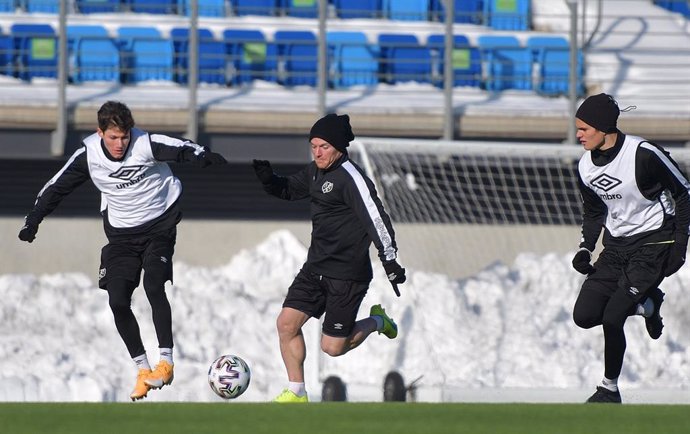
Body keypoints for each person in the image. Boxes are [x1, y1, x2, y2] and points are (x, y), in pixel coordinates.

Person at [17, 100, 228, 401]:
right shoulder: (88, 155)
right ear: (100, 132)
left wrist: (202, 156)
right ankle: (143, 369)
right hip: (121, 236)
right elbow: (57, 187)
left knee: (153, 284)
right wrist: (33, 221)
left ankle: (165, 363)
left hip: (160, 225)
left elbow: (180, 147)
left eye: (124, 137)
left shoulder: (144, 143)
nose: (119, 144)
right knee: (117, 300)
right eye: (113, 137)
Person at [252, 113, 406, 403]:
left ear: (338, 147)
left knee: (333, 348)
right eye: (313, 146)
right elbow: (288, 189)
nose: (317, 152)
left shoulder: (353, 179)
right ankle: (297, 391)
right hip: (315, 269)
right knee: (286, 324)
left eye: (323, 146)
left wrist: (390, 261)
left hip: (347, 275)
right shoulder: (314, 172)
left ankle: (376, 321)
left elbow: (377, 219)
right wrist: (269, 180)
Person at [571, 93, 690, 403]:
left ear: (602, 127)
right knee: (584, 315)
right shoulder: (585, 167)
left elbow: (684, 193)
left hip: (654, 243)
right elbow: (595, 212)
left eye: (584, 129)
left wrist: (679, 245)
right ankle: (648, 305)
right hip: (616, 248)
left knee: (612, 318)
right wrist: (586, 247)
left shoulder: (644, 153)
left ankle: (609, 390)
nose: (578, 135)